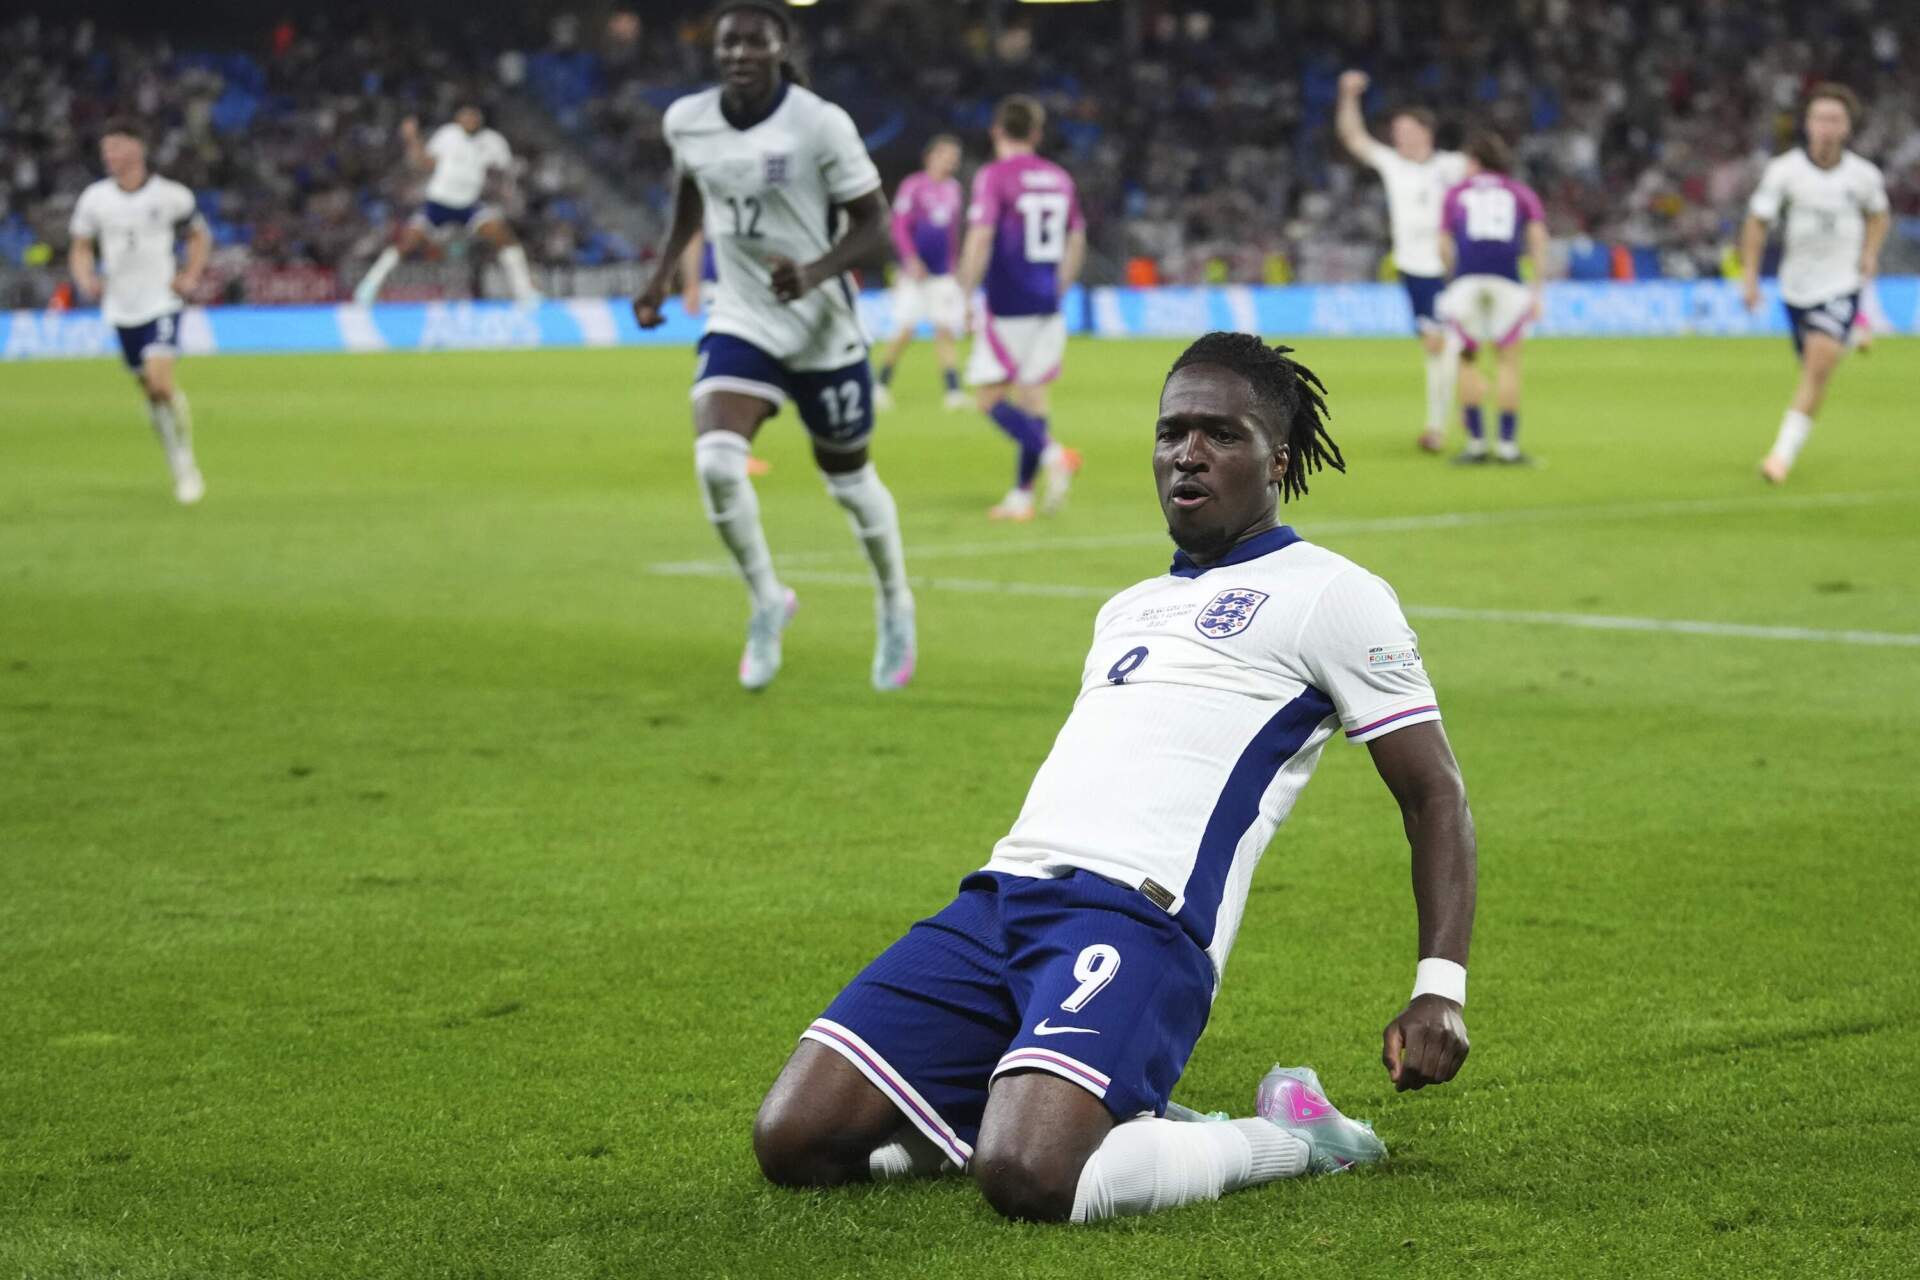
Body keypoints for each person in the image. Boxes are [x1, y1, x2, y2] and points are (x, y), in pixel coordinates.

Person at [753, 332, 1478, 1223]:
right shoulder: (1126, 608)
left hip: (1139, 918)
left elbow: (1433, 792)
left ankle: (1295, 1134)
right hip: (998, 902)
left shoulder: (1333, 594)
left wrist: (1440, 987)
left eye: (1221, 434)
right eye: (1173, 432)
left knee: (1028, 1173)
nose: (1188, 454)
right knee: (793, 1140)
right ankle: (1091, 1102)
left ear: (1278, 459)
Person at [631, 1, 913, 692]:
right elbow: (692, 190)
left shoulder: (820, 124)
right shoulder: (687, 120)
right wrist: (664, 270)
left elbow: (875, 224)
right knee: (718, 464)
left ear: (780, 47)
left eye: (753, 44)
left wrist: (814, 271)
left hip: (822, 322)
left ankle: (894, 600)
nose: (738, 55)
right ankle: (765, 600)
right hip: (744, 313)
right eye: (728, 44)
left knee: (848, 481)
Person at [1739, 83, 1890, 485]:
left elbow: (1879, 215)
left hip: (1841, 282)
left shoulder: (1863, 176)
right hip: (1795, 287)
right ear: (1806, 125)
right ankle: (1857, 327)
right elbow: (1757, 223)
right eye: (1819, 118)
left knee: (1819, 363)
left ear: (1847, 128)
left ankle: (1780, 457)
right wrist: (1749, 277)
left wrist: (1870, 252)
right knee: (1813, 366)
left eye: (1834, 120)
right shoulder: (1784, 171)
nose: (1825, 127)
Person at [956, 96, 1086, 522]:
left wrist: (963, 292)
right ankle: (1021, 497)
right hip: (1047, 303)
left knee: (990, 399)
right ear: (1036, 133)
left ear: (997, 131)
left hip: (1007, 304)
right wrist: (1059, 287)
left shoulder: (995, 177)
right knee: (1033, 401)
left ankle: (1053, 454)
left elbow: (980, 237)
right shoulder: (1059, 177)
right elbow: (1076, 241)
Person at [68, 119, 210, 505]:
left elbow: (198, 234)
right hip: (121, 307)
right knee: (151, 392)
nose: (109, 156)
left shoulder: (171, 196)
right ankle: (174, 456)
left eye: (115, 147)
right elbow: (81, 245)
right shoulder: (95, 199)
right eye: (105, 150)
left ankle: (186, 465)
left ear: (137, 149)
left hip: (161, 301)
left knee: (161, 382)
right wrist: (85, 277)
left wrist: (191, 275)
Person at [1335, 70, 1468, 453]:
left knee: (1444, 344)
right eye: (1397, 132)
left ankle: (1438, 425)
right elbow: (1353, 138)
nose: (1400, 138)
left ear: (1426, 132)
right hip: (1414, 268)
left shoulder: (1453, 166)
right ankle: (1458, 409)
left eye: (1407, 131)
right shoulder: (1394, 164)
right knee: (1440, 344)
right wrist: (1348, 96)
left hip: (1452, 266)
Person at [353, 104, 540, 306]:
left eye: (472, 114)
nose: (468, 118)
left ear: (480, 117)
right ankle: (368, 287)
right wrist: (412, 138)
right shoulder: (448, 135)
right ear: (458, 118)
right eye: (464, 115)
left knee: (502, 236)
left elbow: (504, 171)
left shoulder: (493, 141)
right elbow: (424, 163)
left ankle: (525, 292)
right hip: (439, 203)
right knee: (406, 243)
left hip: (469, 205)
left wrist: (500, 188)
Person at [1436, 131, 1547, 466]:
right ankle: (1508, 447)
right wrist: (1537, 289)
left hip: (1468, 282)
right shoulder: (1520, 193)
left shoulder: (1456, 194)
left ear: (1475, 162)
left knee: (1468, 360)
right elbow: (1538, 240)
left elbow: (1443, 244)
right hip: (1508, 283)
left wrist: (1452, 277)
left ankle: (1476, 444)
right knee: (1508, 363)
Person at [872, 135, 968, 413]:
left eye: (954, 157)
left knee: (945, 329)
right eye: (947, 155)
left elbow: (952, 233)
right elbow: (899, 226)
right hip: (914, 274)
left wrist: (955, 264)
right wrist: (910, 259)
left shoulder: (954, 189)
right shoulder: (913, 186)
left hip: (942, 273)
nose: (952, 161)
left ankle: (953, 391)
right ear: (931, 156)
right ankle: (880, 385)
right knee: (905, 330)